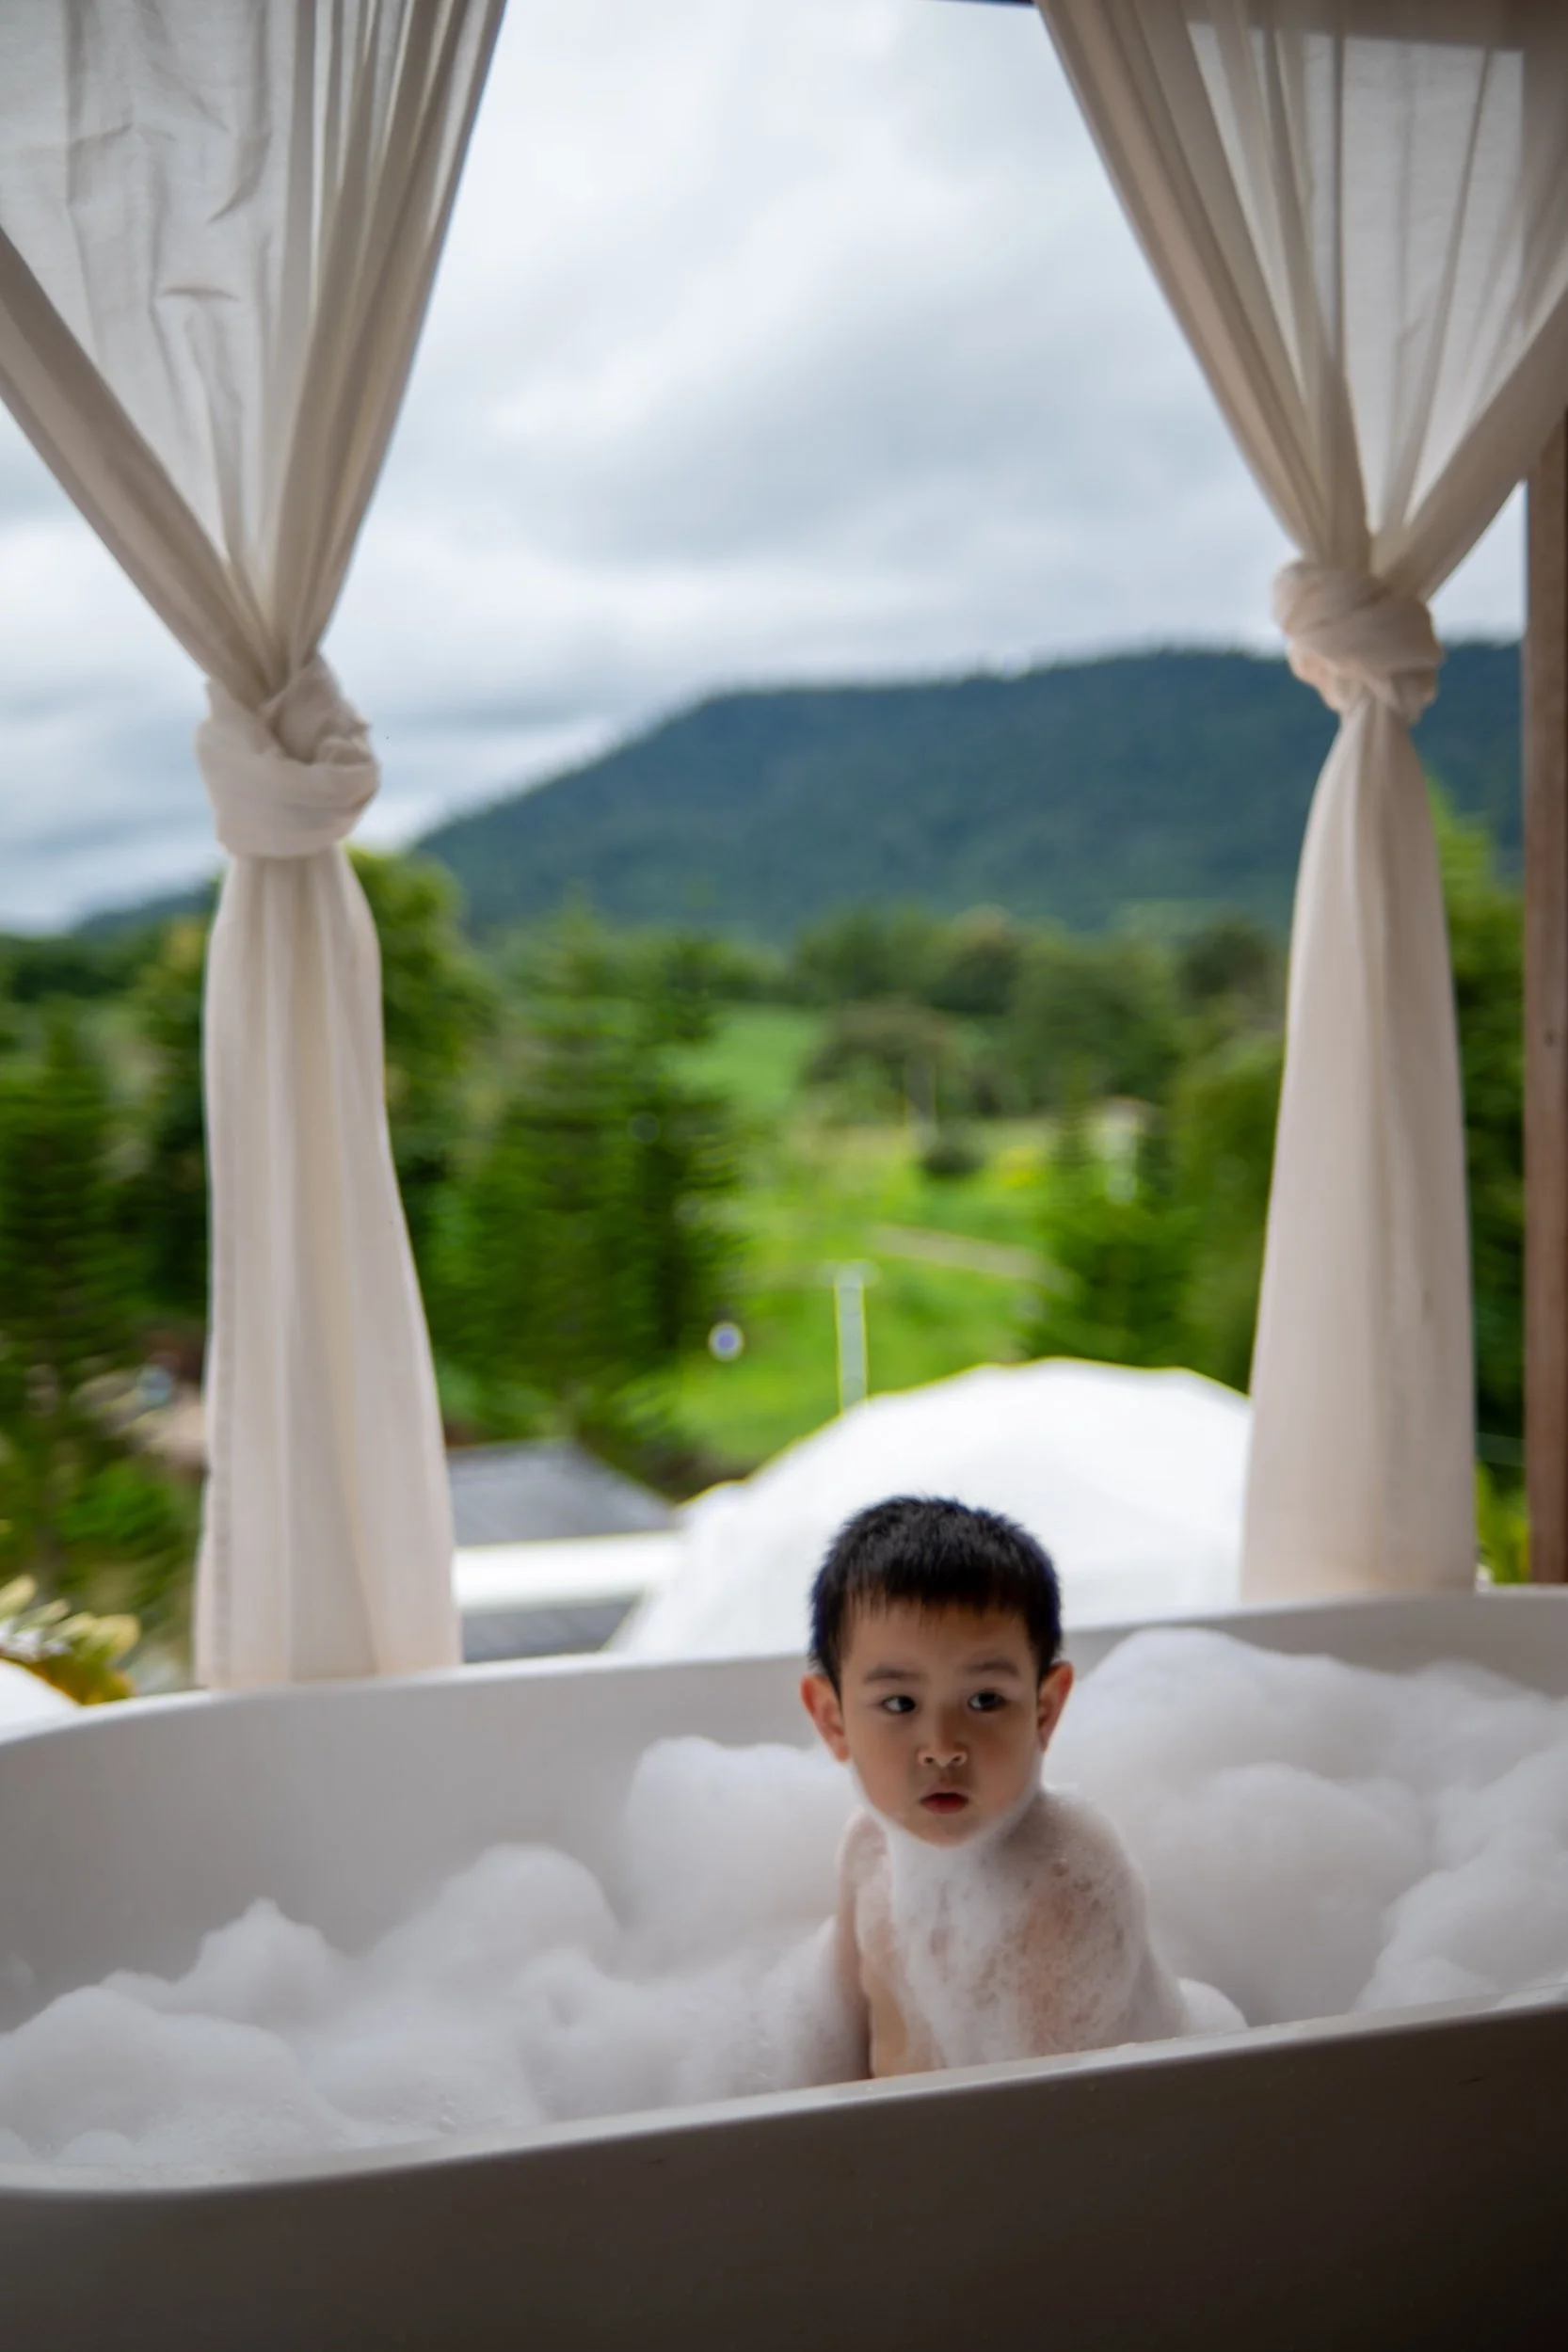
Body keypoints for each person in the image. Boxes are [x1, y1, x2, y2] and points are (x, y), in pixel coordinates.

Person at [800, 1495, 1191, 2078]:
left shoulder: (1063, 1887)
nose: (942, 1745)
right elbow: (831, 2045)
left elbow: (1065, 2113)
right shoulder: (867, 1849)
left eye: (985, 1700)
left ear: (1044, 1710)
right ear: (833, 1722)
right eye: (900, 1703)